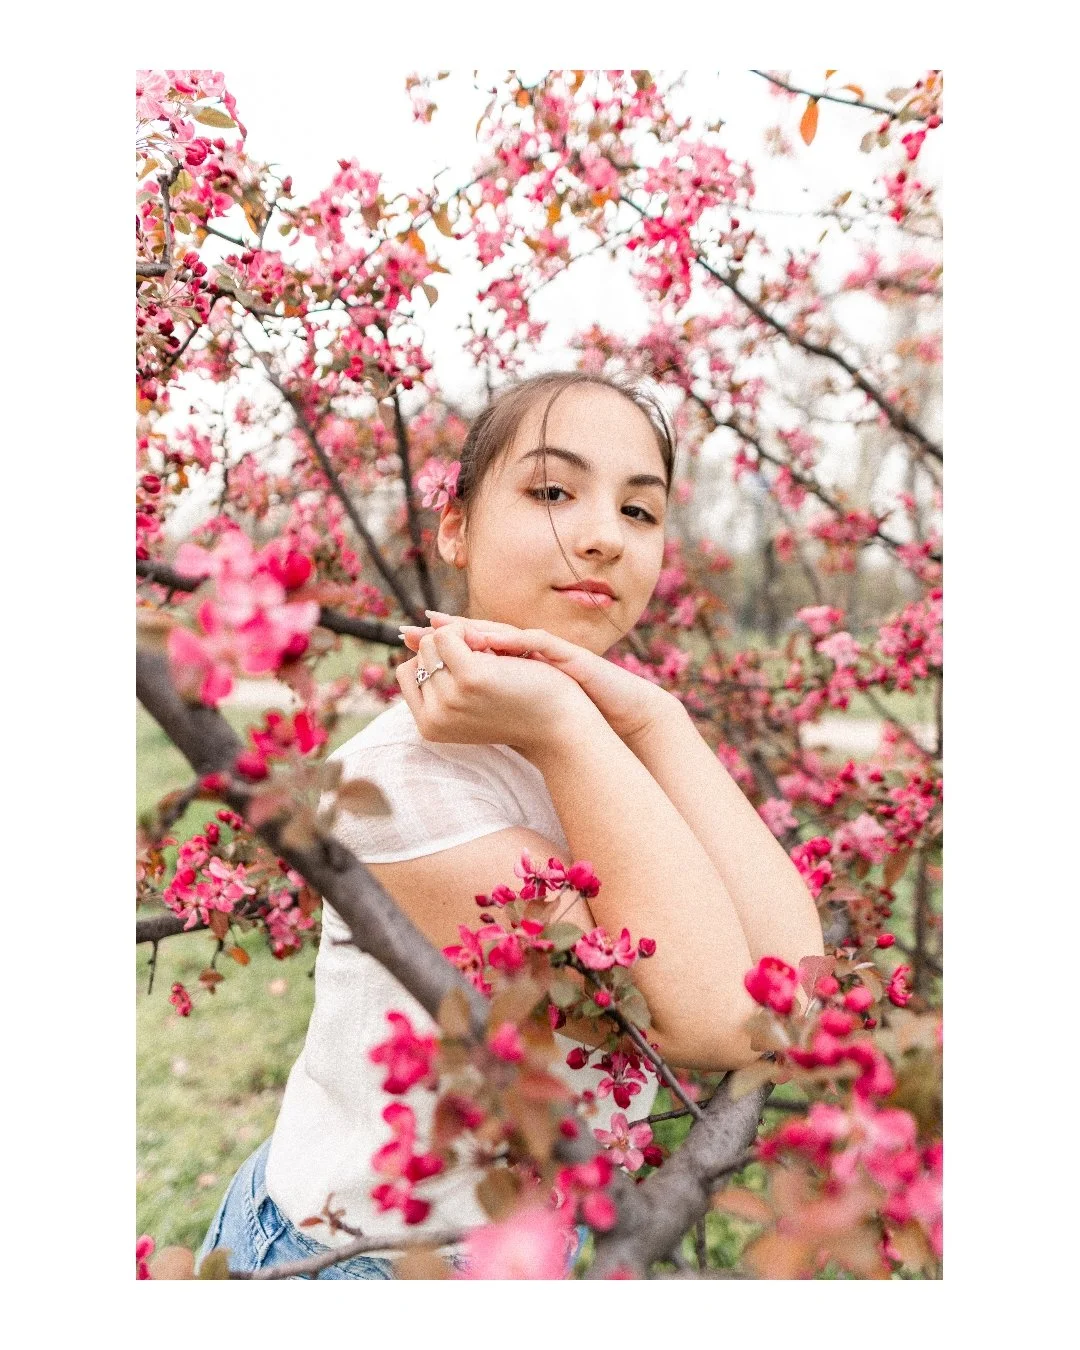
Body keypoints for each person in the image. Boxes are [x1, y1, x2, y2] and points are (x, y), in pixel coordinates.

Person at [197, 370, 825, 1278]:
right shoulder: (401, 782)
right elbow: (733, 1024)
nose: (605, 537)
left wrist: (657, 720)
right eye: (552, 491)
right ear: (455, 527)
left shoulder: (610, 746)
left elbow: (795, 988)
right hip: (363, 1269)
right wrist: (572, 724)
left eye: (641, 512)